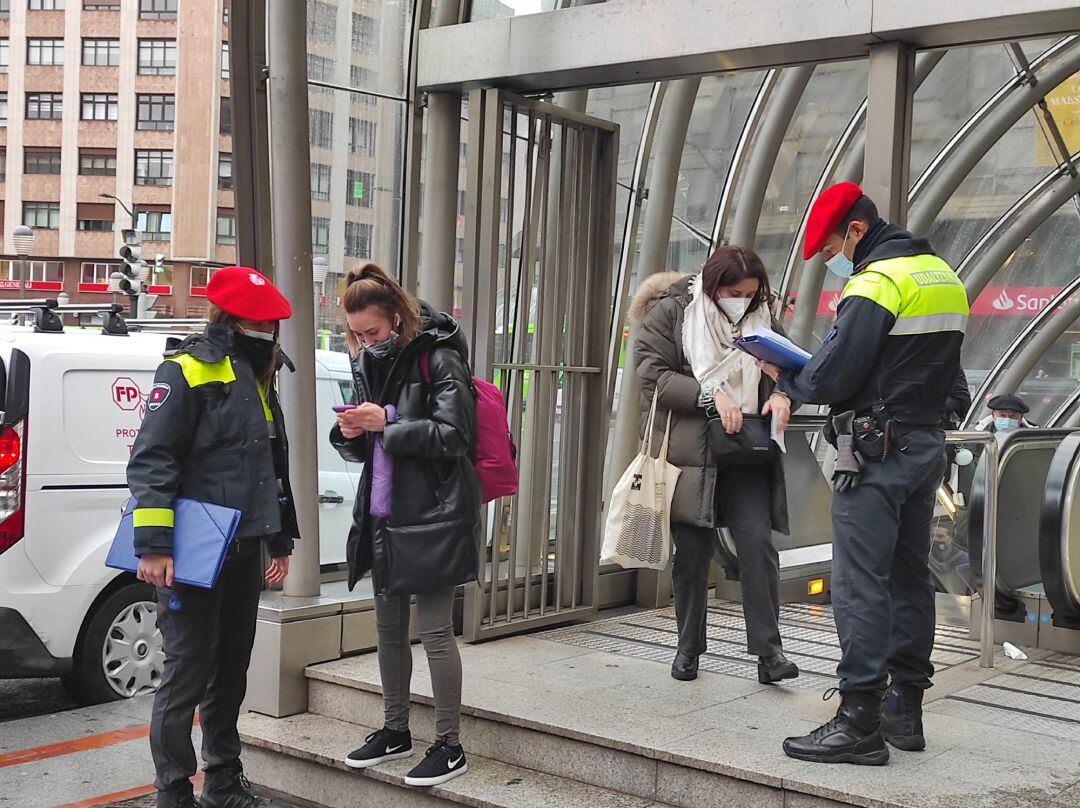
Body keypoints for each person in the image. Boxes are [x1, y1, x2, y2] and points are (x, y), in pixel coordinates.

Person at [757, 182, 969, 765]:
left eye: (833, 248)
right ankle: (906, 711)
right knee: (909, 578)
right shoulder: (942, 276)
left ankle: (859, 721)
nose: (836, 261)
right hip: (925, 448)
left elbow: (831, 378)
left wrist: (785, 378)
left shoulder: (876, 282)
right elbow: (955, 383)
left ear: (855, 229)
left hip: (874, 453)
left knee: (859, 584)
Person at [127, 266, 298, 808]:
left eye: (273, 321)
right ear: (232, 318)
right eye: (260, 320)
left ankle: (223, 781)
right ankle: (173, 793)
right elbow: (152, 460)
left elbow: (272, 466)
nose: (269, 329)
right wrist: (153, 546)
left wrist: (280, 541)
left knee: (230, 670)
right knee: (185, 674)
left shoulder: (259, 376)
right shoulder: (186, 370)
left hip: (245, 547)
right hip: (195, 552)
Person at [330, 263, 480, 788]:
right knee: (388, 629)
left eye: (372, 331)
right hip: (384, 510)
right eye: (357, 333)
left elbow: (454, 436)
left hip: (435, 511)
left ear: (396, 316)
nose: (364, 340)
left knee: (436, 631)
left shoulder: (439, 357)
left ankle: (449, 744)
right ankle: (395, 729)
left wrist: (387, 423)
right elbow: (369, 444)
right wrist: (350, 430)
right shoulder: (369, 361)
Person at [631, 245, 799, 686]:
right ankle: (689, 647)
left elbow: (790, 370)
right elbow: (651, 374)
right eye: (733, 292)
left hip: (748, 449)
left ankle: (770, 652)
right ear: (712, 286)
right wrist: (709, 395)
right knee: (691, 555)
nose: (742, 300)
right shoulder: (674, 312)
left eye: (750, 292)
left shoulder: (762, 315)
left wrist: (782, 395)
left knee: (758, 548)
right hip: (691, 452)